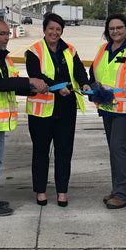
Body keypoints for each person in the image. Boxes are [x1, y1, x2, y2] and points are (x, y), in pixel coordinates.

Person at [0, 18, 48, 216]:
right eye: (1, 34)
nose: (6, 38)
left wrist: (31, 90)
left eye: (7, 33)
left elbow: (9, 85)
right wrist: (30, 80)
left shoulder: (3, 57)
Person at [25, 13, 90, 207]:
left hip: (66, 107)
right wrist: (56, 86)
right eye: (51, 29)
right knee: (40, 152)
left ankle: (62, 191)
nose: (54, 32)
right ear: (44, 29)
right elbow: (35, 75)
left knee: (64, 151)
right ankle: (41, 191)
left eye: (58, 29)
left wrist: (85, 83)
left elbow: (79, 70)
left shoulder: (69, 49)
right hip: (41, 111)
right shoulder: (34, 51)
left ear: (62, 31)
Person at [89, 14, 126, 209]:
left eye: (119, 28)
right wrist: (91, 86)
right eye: (112, 28)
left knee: (118, 148)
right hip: (107, 106)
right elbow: (93, 71)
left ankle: (124, 194)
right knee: (113, 150)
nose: (115, 31)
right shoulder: (103, 49)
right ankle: (117, 189)